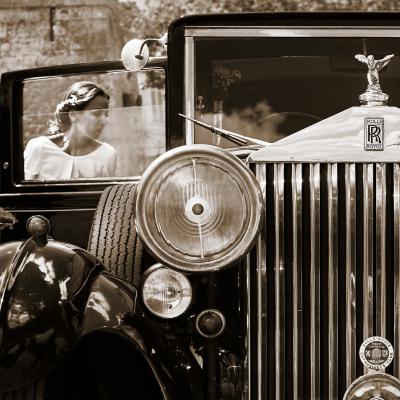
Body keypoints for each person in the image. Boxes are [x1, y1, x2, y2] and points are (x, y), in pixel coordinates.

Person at [24, 81, 117, 180]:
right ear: (73, 115)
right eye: (97, 113)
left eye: (106, 115)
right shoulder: (39, 148)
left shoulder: (107, 155)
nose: (104, 121)